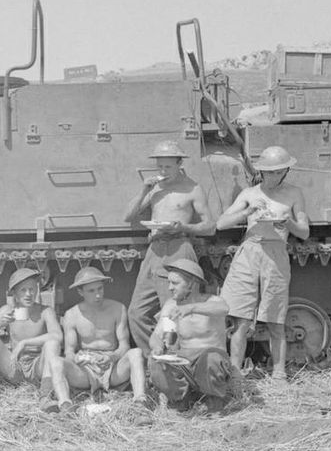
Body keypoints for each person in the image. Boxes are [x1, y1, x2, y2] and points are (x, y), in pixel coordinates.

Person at [216, 145, 310, 380]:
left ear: (286, 171)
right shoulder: (249, 194)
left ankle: (279, 373)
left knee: (275, 319)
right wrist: (246, 212)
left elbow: (305, 232)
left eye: (279, 171)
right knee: (240, 318)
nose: (274, 176)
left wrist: (288, 222)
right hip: (249, 252)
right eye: (269, 171)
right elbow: (221, 223)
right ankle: (235, 374)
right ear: (261, 171)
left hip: (276, 254)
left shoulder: (294, 193)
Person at [124, 139, 215, 356]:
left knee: (173, 312)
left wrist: (183, 226)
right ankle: (155, 357)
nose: (163, 171)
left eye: (168, 166)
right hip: (154, 250)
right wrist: (144, 189)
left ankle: (176, 360)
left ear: (179, 164)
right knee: (136, 312)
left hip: (179, 247)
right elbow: (128, 216)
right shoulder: (155, 188)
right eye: (160, 166)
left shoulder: (192, 188)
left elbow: (210, 226)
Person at [48, 266, 147, 414]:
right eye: (91, 291)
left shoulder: (117, 309)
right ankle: (65, 405)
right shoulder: (72, 315)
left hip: (113, 368)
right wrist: (77, 359)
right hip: (86, 371)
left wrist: (112, 357)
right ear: (80, 292)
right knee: (56, 361)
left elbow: (124, 345)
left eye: (100, 289)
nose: (98, 295)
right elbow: (69, 351)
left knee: (136, 353)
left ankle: (140, 402)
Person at [149, 258, 234, 412]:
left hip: (209, 364)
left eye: (175, 283)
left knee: (211, 358)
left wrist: (191, 308)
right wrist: (157, 348)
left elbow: (224, 309)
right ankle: (180, 399)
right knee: (155, 362)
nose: (169, 288)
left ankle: (214, 400)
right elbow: (157, 335)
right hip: (185, 363)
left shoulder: (213, 301)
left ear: (191, 284)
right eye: (169, 283)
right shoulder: (171, 305)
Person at [0, 268, 62, 399]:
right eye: (23, 290)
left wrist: (24, 343)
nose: (28, 294)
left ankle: (45, 396)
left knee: (52, 344)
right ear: (14, 293)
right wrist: (1, 323)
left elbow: (57, 336)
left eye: (32, 289)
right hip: (15, 366)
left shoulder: (45, 311)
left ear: (37, 290)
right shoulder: (7, 310)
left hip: (38, 366)